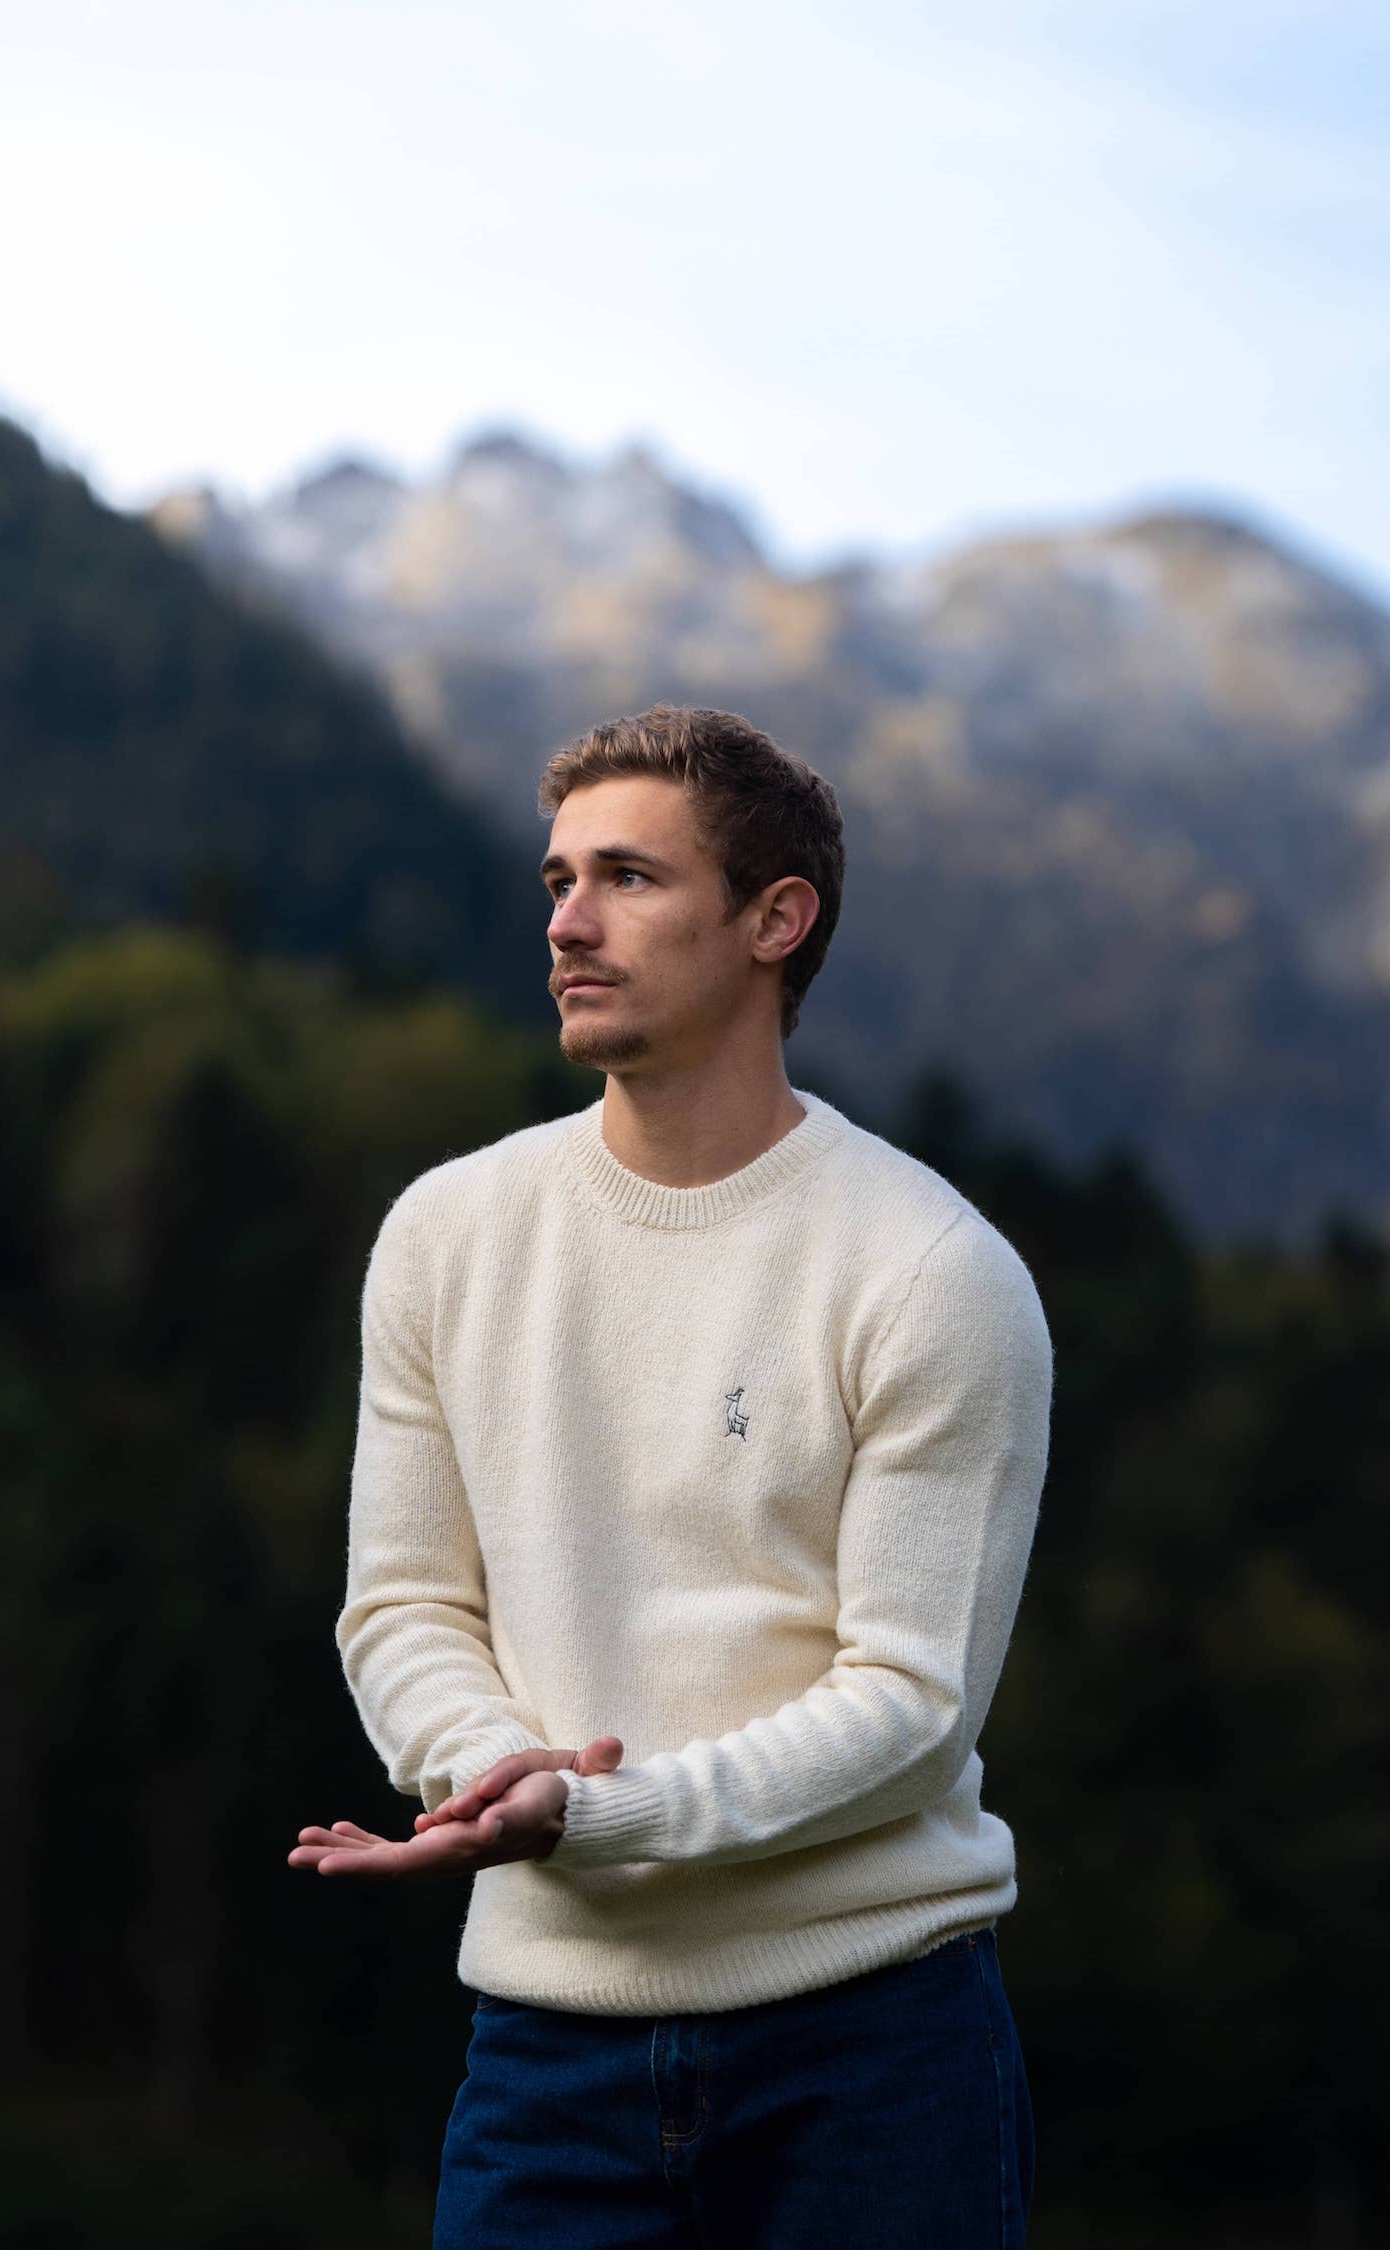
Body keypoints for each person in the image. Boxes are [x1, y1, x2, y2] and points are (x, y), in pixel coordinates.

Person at [288, 704, 1053, 2247]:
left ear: (778, 920)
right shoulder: (449, 1235)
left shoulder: (930, 1271)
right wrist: (498, 1775)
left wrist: (595, 1810)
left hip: (873, 2047)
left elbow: (910, 1707)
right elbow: (405, 1606)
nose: (567, 921)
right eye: (559, 879)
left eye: (629, 877)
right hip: (544, 2049)